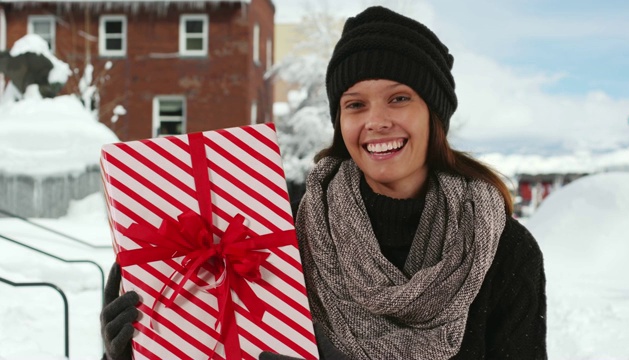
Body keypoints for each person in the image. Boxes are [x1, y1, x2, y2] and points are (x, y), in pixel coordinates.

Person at [100, 5, 546, 360]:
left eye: (399, 98)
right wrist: (132, 352)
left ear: (436, 114)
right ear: (339, 122)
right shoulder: (286, 234)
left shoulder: (503, 251)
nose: (376, 121)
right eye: (355, 105)